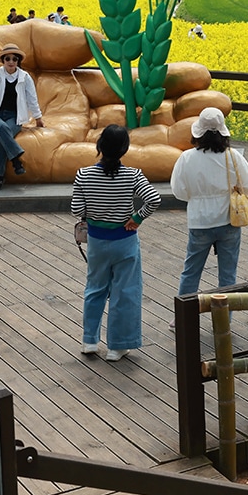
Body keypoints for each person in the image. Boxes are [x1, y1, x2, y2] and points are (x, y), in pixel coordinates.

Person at [72, 125, 161, 361]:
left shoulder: (83, 174)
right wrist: (137, 218)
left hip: (97, 242)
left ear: (100, 145)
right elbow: (153, 198)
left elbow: (76, 209)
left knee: (95, 289)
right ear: (124, 149)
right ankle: (117, 346)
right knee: (125, 292)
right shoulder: (133, 175)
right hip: (125, 241)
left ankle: (89, 340)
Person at [170, 108, 248, 301]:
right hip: (228, 219)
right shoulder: (233, 156)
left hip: (200, 221)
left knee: (191, 272)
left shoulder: (187, 158)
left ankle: (184, 317)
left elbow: (179, 191)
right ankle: (224, 320)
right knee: (228, 274)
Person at [0, 43, 44, 191]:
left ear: (18, 61)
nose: (11, 62)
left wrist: (38, 117)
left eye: (14, 59)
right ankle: (16, 159)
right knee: (3, 128)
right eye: (7, 59)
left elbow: (32, 98)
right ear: (3, 61)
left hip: (15, 117)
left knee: (2, 137)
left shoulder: (25, 77)